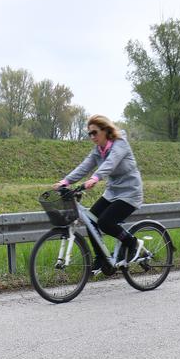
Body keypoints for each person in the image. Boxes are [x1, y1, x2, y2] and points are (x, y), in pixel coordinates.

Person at [57, 114, 143, 275]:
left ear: (105, 130)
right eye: (89, 134)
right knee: (90, 219)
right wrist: (65, 182)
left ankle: (132, 244)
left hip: (130, 192)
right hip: (112, 192)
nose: (92, 137)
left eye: (94, 132)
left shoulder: (120, 144)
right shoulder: (98, 151)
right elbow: (84, 167)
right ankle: (101, 258)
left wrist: (95, 178)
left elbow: (111, 164)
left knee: (105, 222)